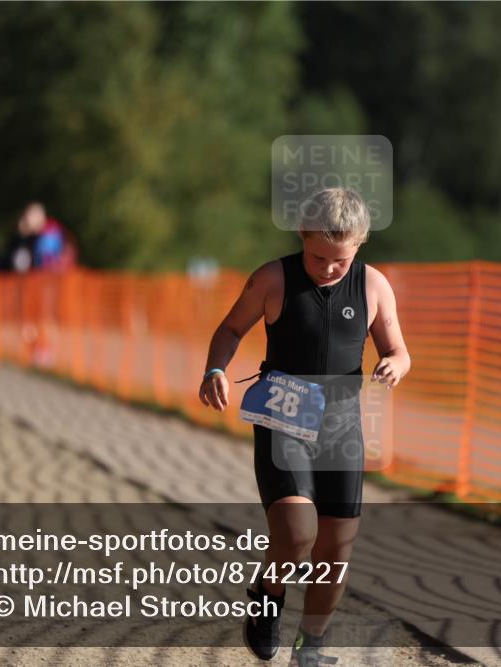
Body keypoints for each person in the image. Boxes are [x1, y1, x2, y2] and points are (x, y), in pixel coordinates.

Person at [198, 188, 410, 665]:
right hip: (283, 414)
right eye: (318, 256)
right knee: (297, 532)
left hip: (341, 425)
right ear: (301, 235)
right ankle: (268, 597)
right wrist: (215, 370)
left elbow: (398, 349)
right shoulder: (273, 278)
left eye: (341, 259)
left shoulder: (373, 285)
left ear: (359, 245)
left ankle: (309, 646)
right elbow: (230, 329)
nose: (329, 268)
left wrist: (397, 364)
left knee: (336, 549)